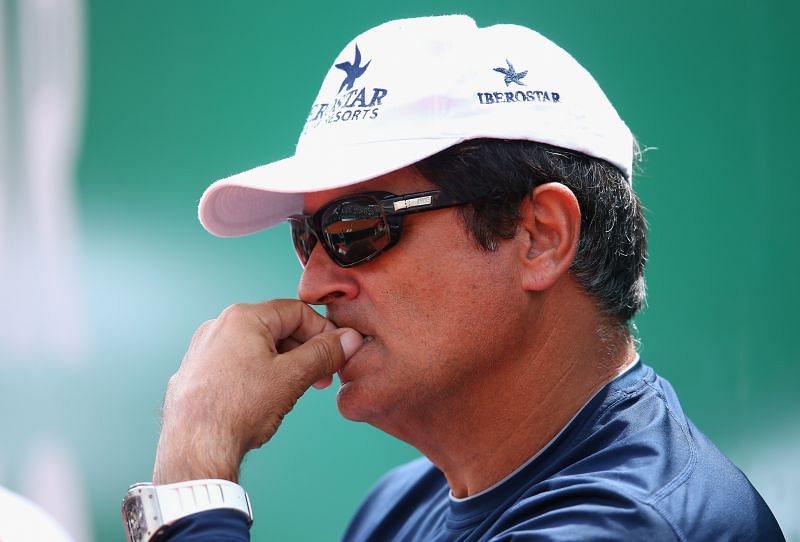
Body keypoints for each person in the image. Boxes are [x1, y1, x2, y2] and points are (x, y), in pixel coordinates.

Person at [120, 15, 784, 542]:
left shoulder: (636, 520)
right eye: (306, 238)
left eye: (355, 229)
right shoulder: (402, 506)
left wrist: (194, 477)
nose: (313, 285)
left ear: (540, 237)